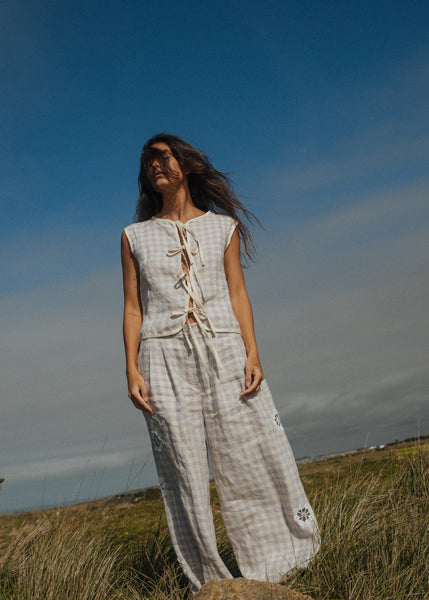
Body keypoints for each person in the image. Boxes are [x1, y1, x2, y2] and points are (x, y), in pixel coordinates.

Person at [121, 133, 320, 593]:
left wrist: (253, 352)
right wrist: (131, 368)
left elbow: (237, 294)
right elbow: (134, 308)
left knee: (248, 453)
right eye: (148, 161)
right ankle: (208, 580)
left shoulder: (223, 227)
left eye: (163, 157)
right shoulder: (134, 237)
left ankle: (277, 564)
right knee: (183, 470)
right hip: (162, 355)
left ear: (186, 166)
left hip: (226, 349)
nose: (155, 166)